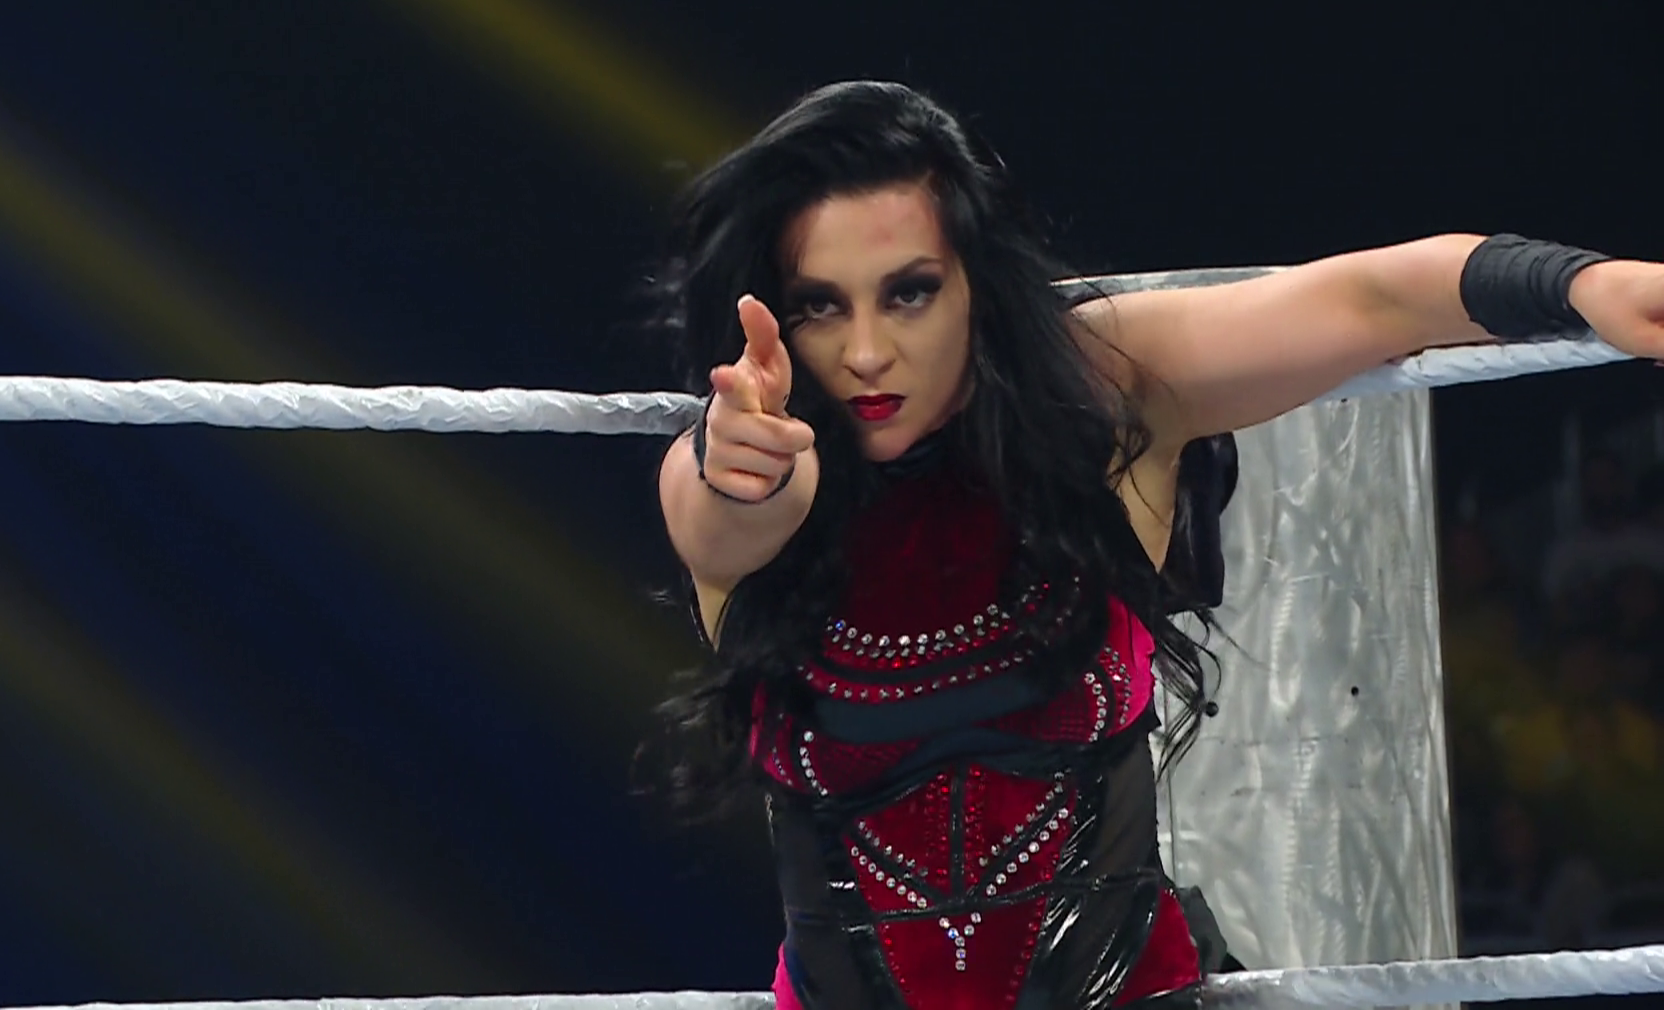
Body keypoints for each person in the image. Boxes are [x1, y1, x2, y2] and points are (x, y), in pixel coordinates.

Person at [649, 80, 1663, 1010]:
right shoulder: (739, 463)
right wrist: (747, 466)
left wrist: (1581, 285)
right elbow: (727, 509)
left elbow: (1374, 300)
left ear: (976, 285)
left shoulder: (1100, 387)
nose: (867, 351)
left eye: (909, 291)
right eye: (819, 305)